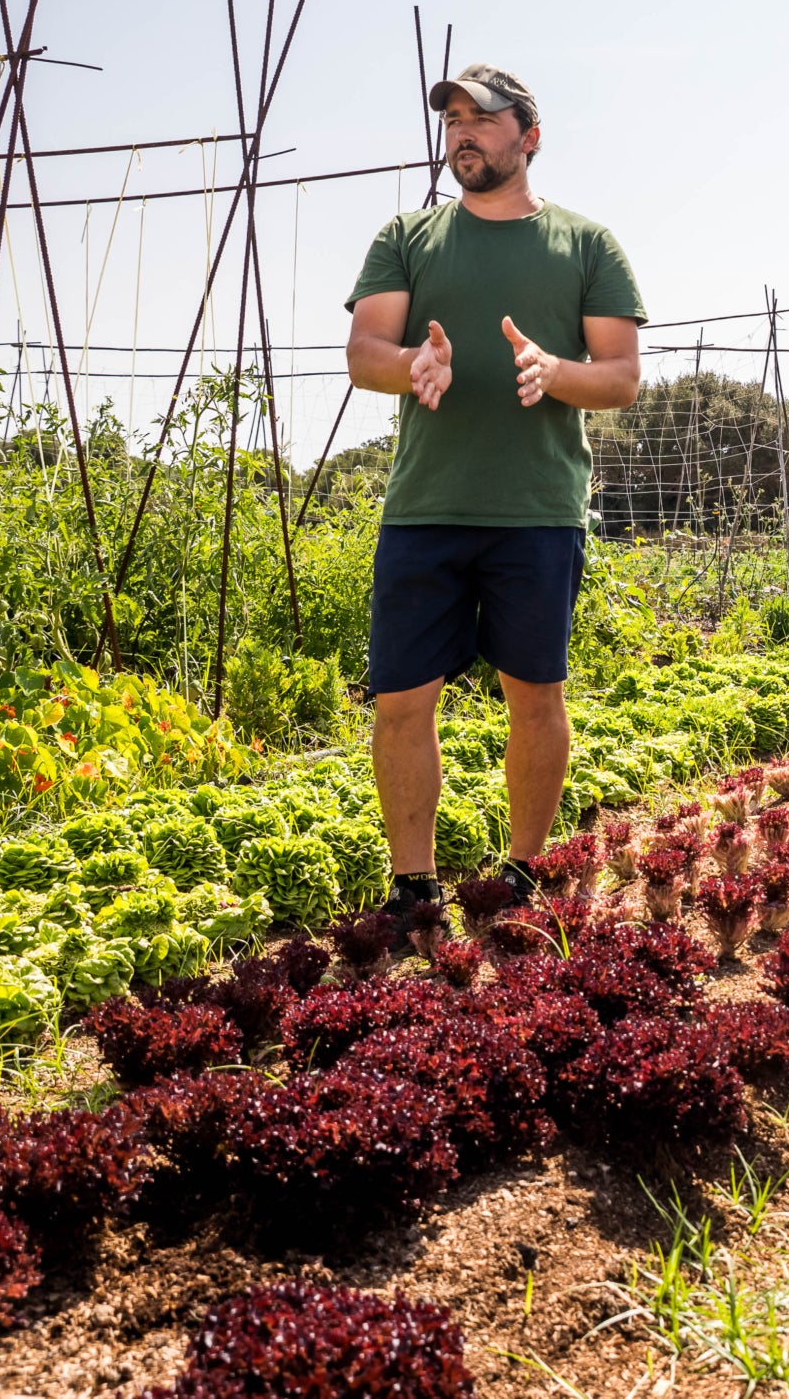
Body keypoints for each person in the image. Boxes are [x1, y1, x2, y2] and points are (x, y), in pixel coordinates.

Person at [344, 63, 645, 939]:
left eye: (484, 118)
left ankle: (524, 870)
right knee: (401, 701)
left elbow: (621, 378)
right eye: (454, 121)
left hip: (537, 511)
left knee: (536, 695)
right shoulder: (408, 237)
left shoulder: (588, 246)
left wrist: (555, 373)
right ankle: (413, 886)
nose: (463, 133)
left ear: (530, 136)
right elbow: (366, 350)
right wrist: (412, 364)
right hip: (424, 509)